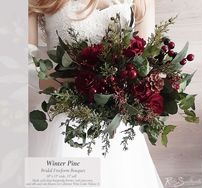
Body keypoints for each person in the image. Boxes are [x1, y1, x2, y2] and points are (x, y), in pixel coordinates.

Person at [28, 0, 164, 187]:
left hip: (117, 131)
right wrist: (86, 82)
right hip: (63, 124)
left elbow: (146, 66)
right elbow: (27, 66)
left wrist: (115, 86)